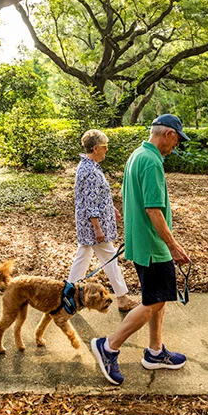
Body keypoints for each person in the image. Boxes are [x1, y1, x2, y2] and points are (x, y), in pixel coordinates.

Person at [90, 114, 191, 386]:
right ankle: (108, 346)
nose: (176, 146)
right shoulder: (151, 162)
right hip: (153, 246)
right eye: (177, 140)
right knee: (154, 302)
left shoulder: (137, 155)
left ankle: (155, 352)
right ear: (168, 134)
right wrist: (174, 245)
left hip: (141, 243)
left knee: (158, 297)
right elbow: (153, 209)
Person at [67, 129, 139, 313]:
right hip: (93, 227)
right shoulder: (90, 171)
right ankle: (122, 299)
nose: (107, 150)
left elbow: (95, 197)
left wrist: (111, 208)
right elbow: (90, 203)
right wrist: (97, 228)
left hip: (88, 224)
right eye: (105, 147)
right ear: (97, 148)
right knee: (109, 258)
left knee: (82, 258)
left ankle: (68, 297)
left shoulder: (87, 166)